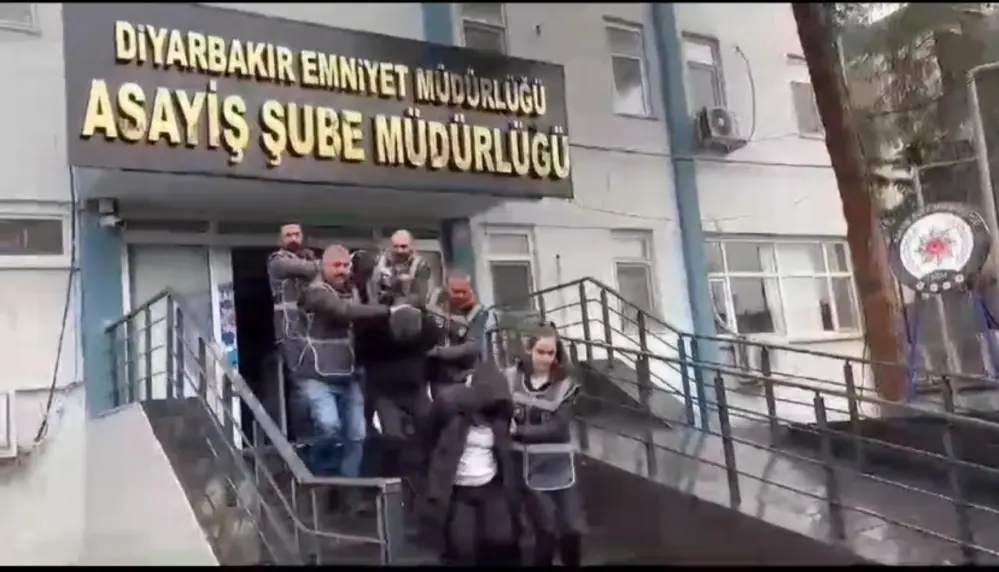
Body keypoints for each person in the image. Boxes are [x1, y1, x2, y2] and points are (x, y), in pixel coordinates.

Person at [298, 245, 422, 510]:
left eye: (346, 266)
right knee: (329, 428)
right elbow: (343, 312)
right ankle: (320, 476)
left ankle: (347, 490)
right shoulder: (316, 292)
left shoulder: (353, 291)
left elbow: (363, 319)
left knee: (357, 436)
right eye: (337, 266)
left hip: (348, 376)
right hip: (318, 377)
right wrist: (389, 311)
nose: (342, 271)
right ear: (323, 266)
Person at [418, 362, 521, 566]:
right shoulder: (451, 413)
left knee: (498, 543)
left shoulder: (499, 420)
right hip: (458, 490)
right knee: (462, 548)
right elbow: (429, 435)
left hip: (491, 487)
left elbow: (506, 452)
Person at [507, 323, 584, 566]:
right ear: (529, 349)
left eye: (551, 353)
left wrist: (518, 432)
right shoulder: (511, 378)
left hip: (560, 465)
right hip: (525, 466)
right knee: (545, 529)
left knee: (571, 528)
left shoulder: (565, 385)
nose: (546, 358)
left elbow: (559, 429)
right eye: (541, 352)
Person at [266, 224, 320, 442]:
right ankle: (304, 437)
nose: (293, 238)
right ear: (281, 240)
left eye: (297, 234)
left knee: (318, 379)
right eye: (288, 235)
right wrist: (324, 263)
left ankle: (319, 432)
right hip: (290, 330)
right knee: (300, 382)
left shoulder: (307, 258)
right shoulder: (277, 261)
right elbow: (309, 270)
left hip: (310, 329)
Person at [425, 271, 488, 399]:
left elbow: (471, 348)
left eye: (463, 292)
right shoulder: (435, 300)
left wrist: (438, 352)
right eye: (456, 291)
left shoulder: (477, 311)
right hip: (438, 374)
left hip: (463, 373)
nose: (460, 296)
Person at [369, 229, 433, 309]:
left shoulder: (420, 265)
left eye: (404, 246)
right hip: (384, 309)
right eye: (396, 246)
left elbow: (420, 298)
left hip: (409, 310)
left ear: (411, 246)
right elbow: (373, 292)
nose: (399, 250)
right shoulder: (381, 262)